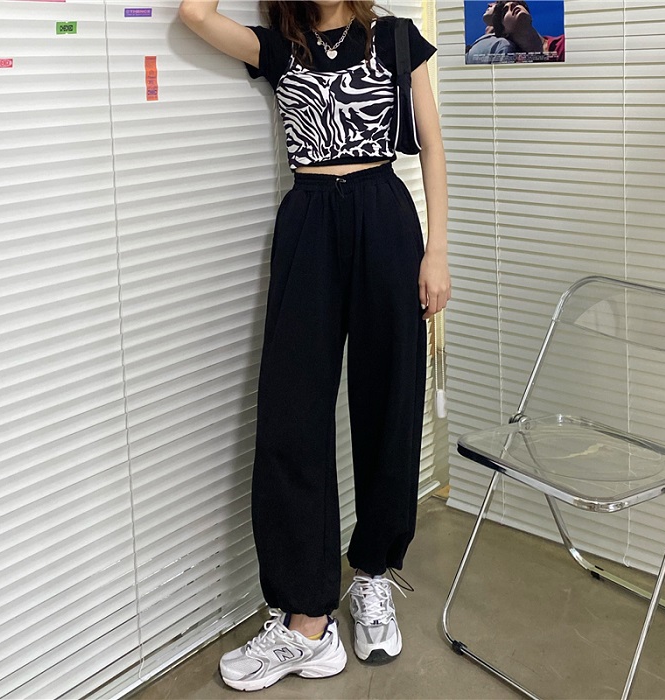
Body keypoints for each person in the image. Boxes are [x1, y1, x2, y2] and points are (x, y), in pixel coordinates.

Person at [178, 0, 450, 691]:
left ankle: (374, 574)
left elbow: (433, 145)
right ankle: (307, 621)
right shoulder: (280, 47)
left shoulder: (396, 38)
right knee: (291, 416)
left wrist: (438, 250)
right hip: (308, 221)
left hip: (385, 218)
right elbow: (194, 14)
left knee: (389, 404)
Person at [491, 0, 565, 62]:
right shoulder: (515, 68)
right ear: (503, 32)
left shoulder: (564, 43)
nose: (513, 5)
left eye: (517, 4)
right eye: (505, 11)